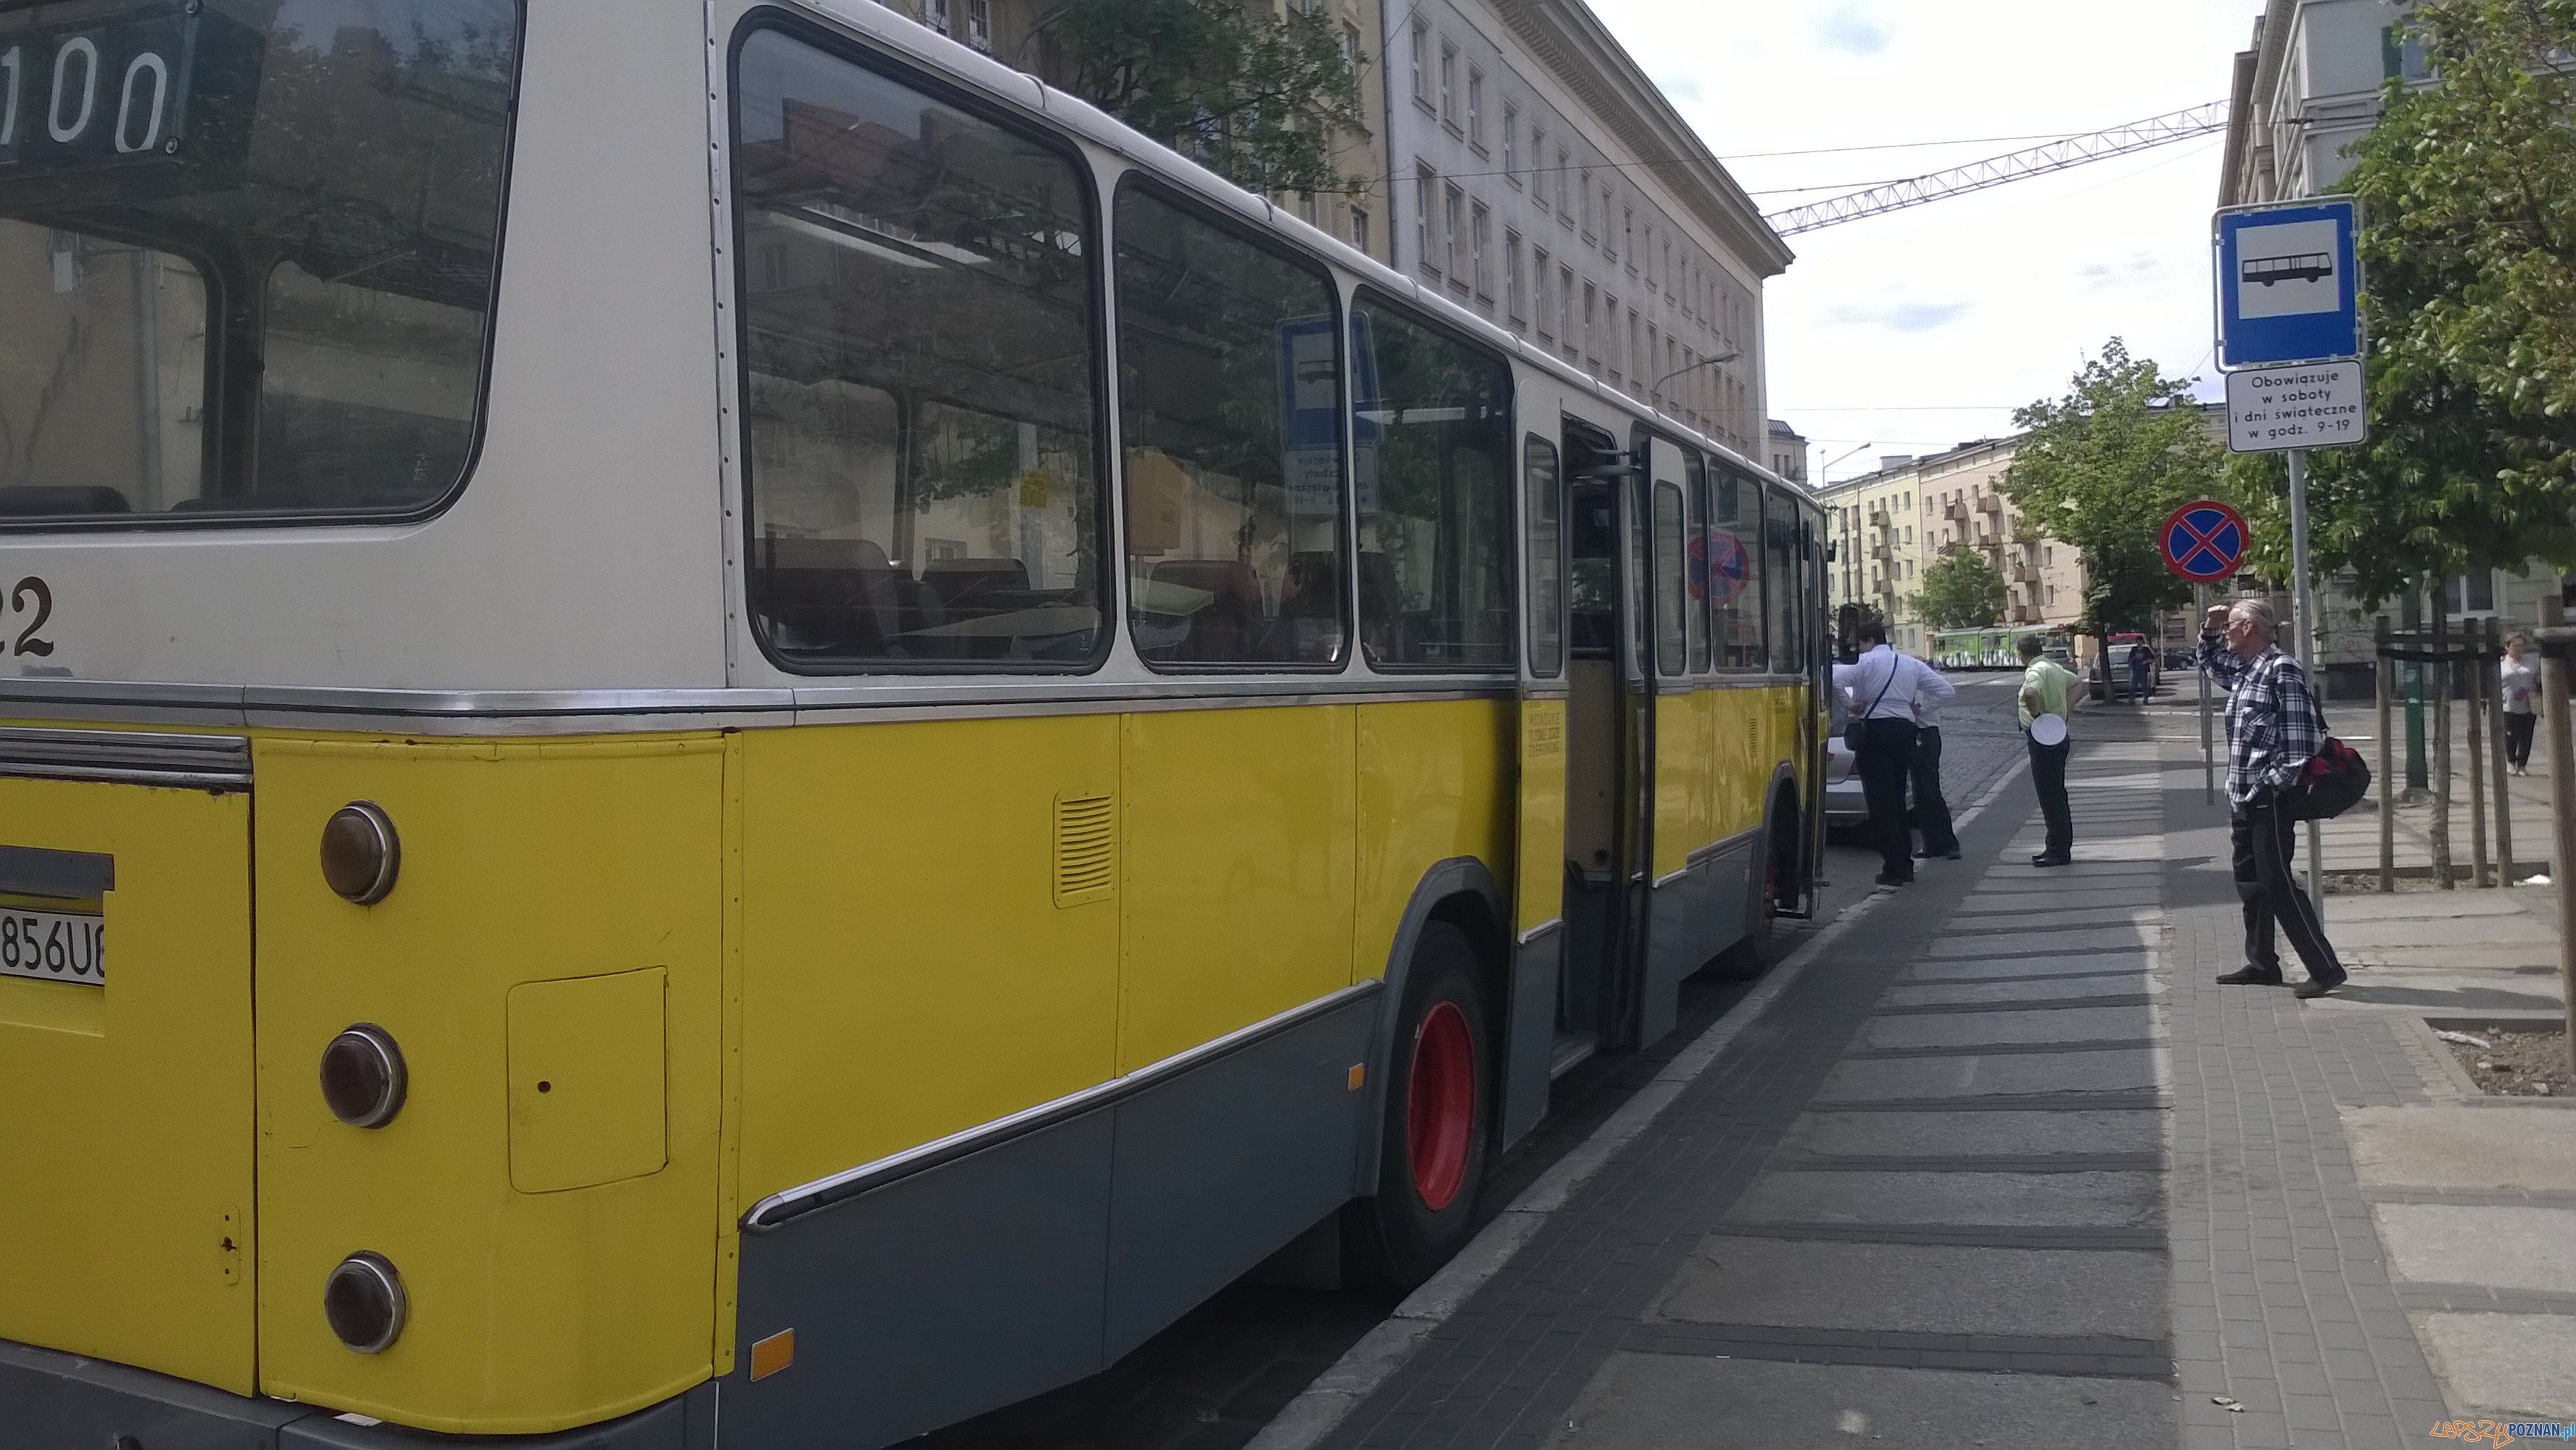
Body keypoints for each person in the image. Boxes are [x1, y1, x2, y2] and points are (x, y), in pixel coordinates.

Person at [2200, 598, 2347, 999]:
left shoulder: (2281, 669)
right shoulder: (2249, 669)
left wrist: (2274, 784)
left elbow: (2303, 740)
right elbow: (2212, 665)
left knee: (2277, 882)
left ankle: (2324, 968)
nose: (2226, 631)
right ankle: (2263, 963)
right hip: (2243, 795)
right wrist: (2210, 628)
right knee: (2251, 882)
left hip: (2268, 796)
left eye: (2230, 625)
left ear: (2249, 628)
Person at [1833, 621, 1952, 887]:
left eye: (1860, 645)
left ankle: (1895, 867)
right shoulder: (1910, 664)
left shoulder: (1864, 664)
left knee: (1880, 803)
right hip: (1904, 733)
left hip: (1874, 733)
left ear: (1869, 641)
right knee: (1898, 798)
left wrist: (1851, 705)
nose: (1859, 650)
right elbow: (1946, 690)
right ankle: (1905, 862)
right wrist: (1919, 708)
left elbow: (1832, 678)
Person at [2017, 635, 2078, 866]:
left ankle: (2058, 851)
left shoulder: (2036, 671)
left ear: (2021, 654)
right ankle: (2056, 845)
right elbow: (2076, 683)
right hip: (2057, 734)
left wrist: (2038, 716)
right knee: (2056, 793)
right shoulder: (2053, 667)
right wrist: (2065, 711)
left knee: (2049, 796)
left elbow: (2030, 694)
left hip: (2042, 737)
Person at [1908, 659, 1961, 861]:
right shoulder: (1913, 681)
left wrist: (1921, 708)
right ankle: (1930, 843)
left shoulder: (1923, 682)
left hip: (1926, 733)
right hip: (1917, 734)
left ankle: (1948, 843)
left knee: (1930, 790)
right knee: (1920, 792)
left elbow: (1947, 693)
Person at [2501, 633, 2540, 776]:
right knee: (2510, 735)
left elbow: (2537, 678)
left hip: (2529, 704)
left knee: (2526, 737)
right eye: (2515, 646)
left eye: (2521, 646)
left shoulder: (2530, 661)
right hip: (2508, 705)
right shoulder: (2502, 663)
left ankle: (2522, 765)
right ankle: (2510, 763)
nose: (2518, 650)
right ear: (2507, 647)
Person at [2129, 640, 2153, 704]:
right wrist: (2133, 660)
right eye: (2138, 642)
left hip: (2143, 670)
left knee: (2144, 686)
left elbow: (2152, 658)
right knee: (2133, 686)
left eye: (2140, 642)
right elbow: (2129, 659)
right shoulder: (2134, 650)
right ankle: (2131, 699)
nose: (2139, 643)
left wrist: (2146, 661)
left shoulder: (2146, 650)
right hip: (2135, 670)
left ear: (2142, 643)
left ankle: (2145, 700)